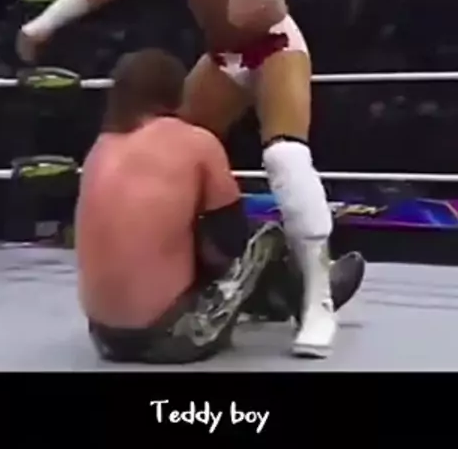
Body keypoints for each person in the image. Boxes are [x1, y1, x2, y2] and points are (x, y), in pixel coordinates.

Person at [18, 0, 361, 358]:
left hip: (275, 45)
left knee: (285, 158)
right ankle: (201, 281)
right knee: (168, 155)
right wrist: (44, 23)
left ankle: (317, 302)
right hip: (220, 59)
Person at [75, 48, 363, 364]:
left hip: (104, 338)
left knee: (185, 237)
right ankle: (311, 297)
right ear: (175, 90)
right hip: (171, 337)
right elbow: (231, 243)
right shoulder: (196, 142)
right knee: (266, 238)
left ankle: (276, 300)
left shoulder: (99, 150)